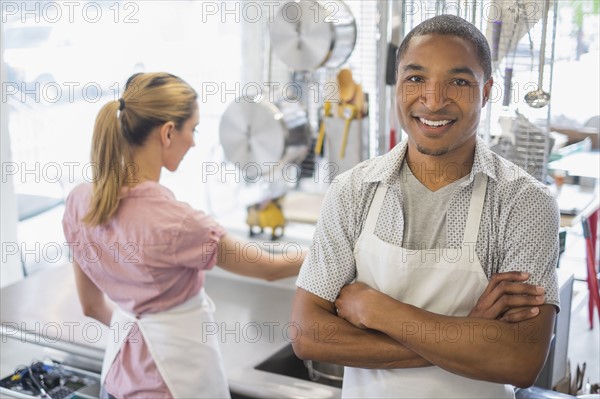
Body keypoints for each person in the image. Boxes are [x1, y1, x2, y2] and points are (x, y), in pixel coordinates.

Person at [291, 14, 560, 398]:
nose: (433, 101)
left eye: (459, 82)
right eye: (416, 79)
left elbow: (520, 361)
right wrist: (467, 335)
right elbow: (308, 336)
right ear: (397, 86)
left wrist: (377, 310)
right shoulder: (352, 191)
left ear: (485, 92)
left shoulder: (524, 203)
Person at [62, 72, 303, 399]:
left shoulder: (79, 202)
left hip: (117, 382)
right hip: (171, 386)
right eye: (193, 129)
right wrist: (334, 253)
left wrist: (139, 336)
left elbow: (91, 307)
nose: (193, 141)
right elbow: (269, 268)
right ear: (168, 133)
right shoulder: (178, 224)